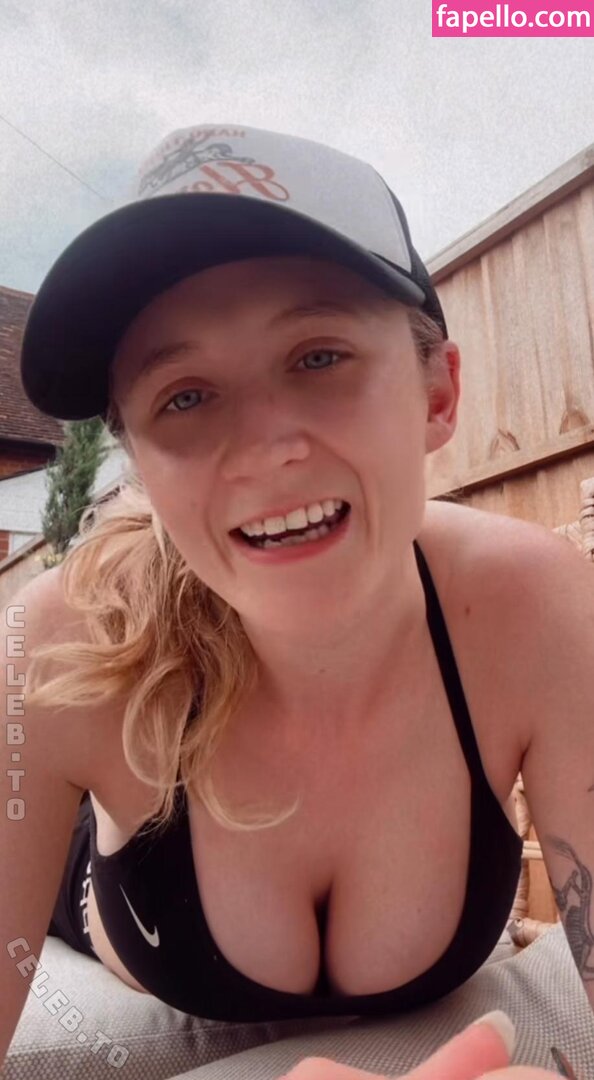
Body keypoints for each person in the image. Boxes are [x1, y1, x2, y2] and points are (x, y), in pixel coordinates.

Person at [1, 123, 566, 1077]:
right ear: (139, 464)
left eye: (318, 357)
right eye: (184, 396)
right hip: (91, 887)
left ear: (437, 392)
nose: (266, 450)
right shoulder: (57, 651)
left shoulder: (534, 610)